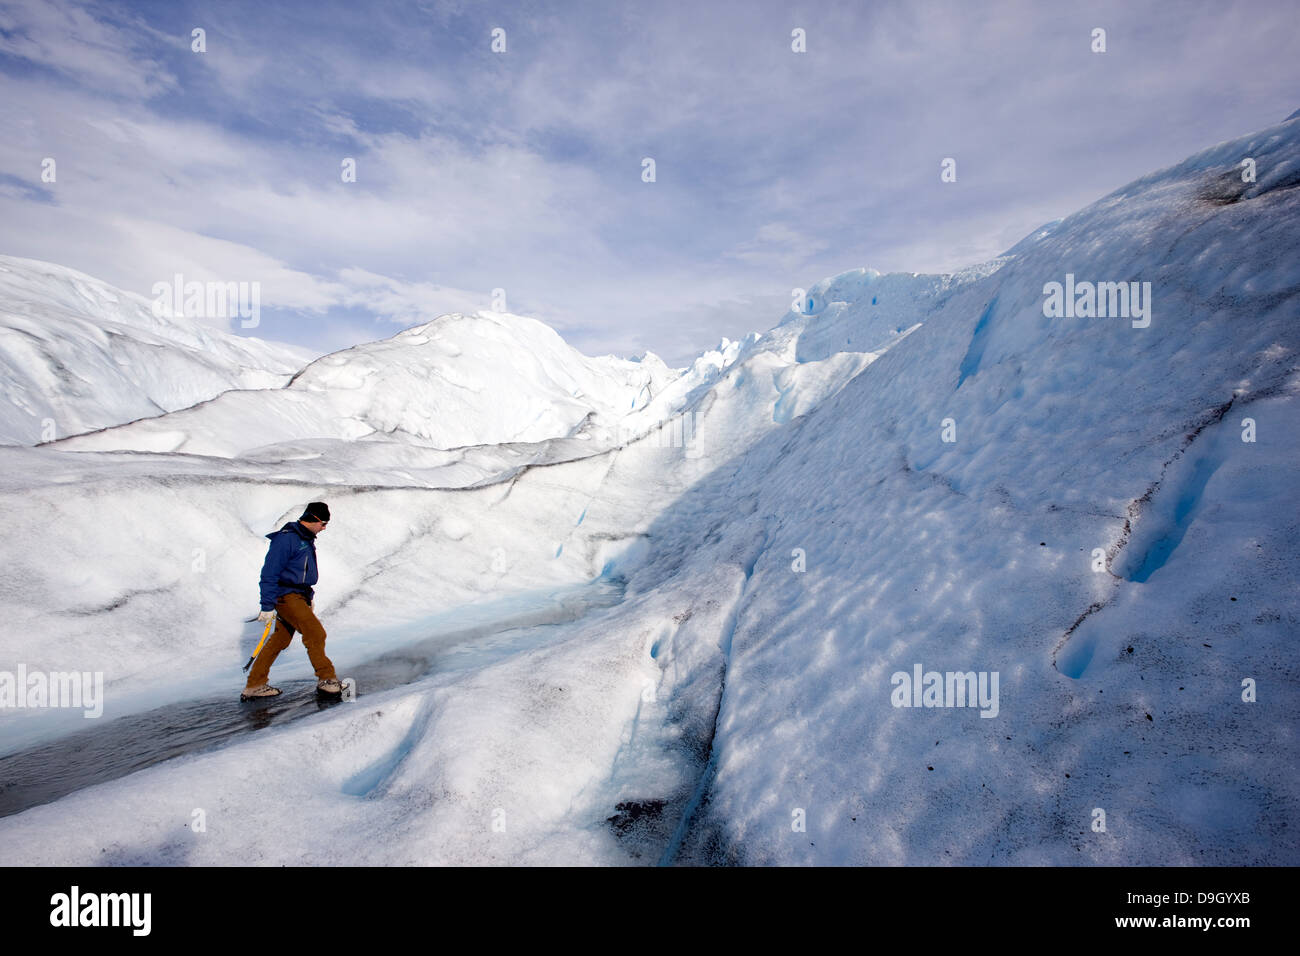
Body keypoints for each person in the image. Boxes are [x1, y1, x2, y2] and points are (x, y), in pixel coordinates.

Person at [241, 501, 342, 701]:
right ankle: (327, 679)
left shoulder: (305, 538)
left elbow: (301, 574)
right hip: (286, 596)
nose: (324, 528)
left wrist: (308, 598)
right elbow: (269, 572)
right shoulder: (286, 540)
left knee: (280, 639)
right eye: (323, 523)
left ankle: (255, 685)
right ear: (312, 519)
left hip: (298, 596)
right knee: (315, 633)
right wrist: (267, 605)